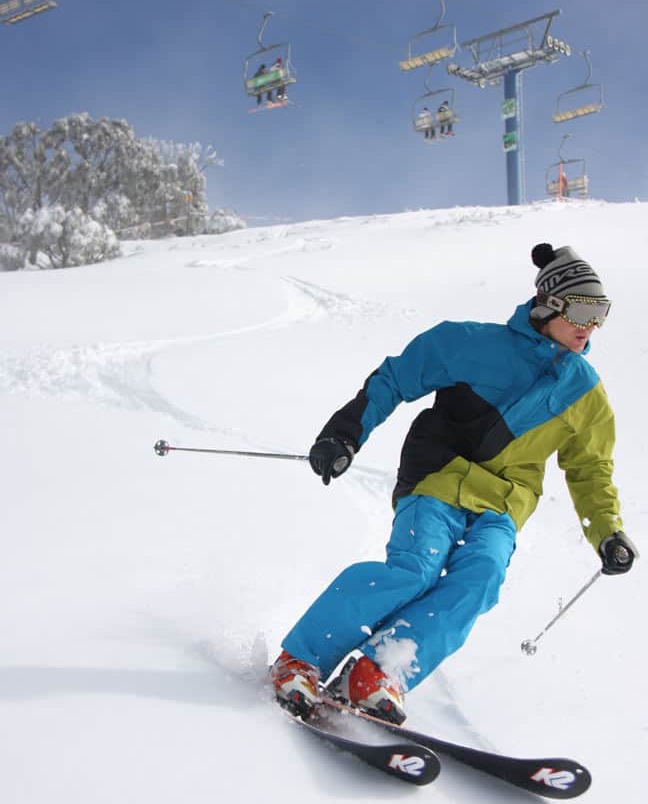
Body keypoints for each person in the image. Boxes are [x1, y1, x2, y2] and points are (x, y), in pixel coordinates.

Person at [271, 243, 638, 723]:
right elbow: (394, 380)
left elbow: (590, 470)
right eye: (584, 309)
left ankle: (377, 673)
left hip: (504, 505)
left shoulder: (585, 393)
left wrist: (607, 530)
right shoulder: (469, 343)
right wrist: (344, 435)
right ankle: (302, 659)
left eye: (601, 313)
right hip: (437, 478)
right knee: (415, 571)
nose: (591, 326)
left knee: (480, 579)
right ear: (550, 303)